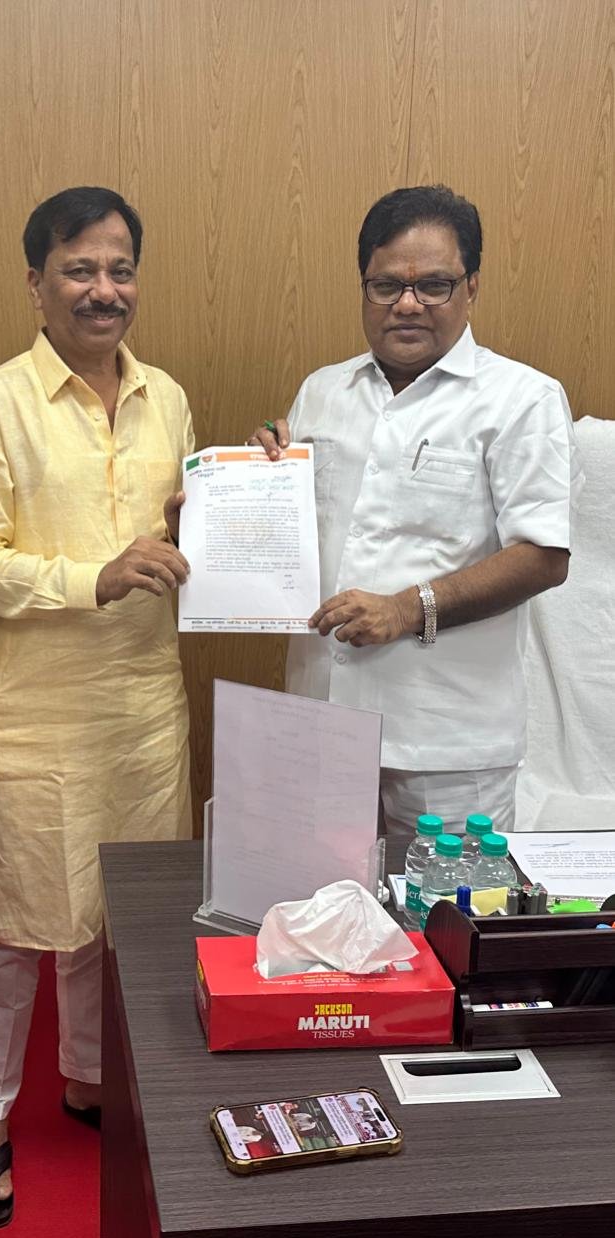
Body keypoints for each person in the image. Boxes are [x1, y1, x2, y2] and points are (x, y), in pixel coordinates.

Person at [0, 186, 192, 1226]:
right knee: (16, 928)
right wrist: (93, 577)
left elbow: (176, 535)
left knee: (117, 919)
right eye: (79, 269)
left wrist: (240, 498)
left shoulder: (167, 397)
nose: (103, 289)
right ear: (35, 284)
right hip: (34, 714)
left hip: (144, 710)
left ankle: (89, 1077)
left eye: (119, 268)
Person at [251, 185, 580, 833]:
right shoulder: (323, 390)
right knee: (321, 894)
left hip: (446, 742)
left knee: (449, 900)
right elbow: (301, 535)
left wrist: (407, 608)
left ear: (471, 286)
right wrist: (246, 486)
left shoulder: (522, 399)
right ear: (363, 287)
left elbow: (543, 557)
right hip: (322, 720)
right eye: (385, 286)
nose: (406, 304)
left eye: (433, 285)